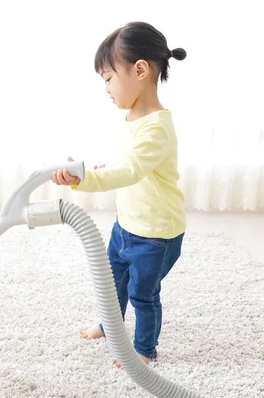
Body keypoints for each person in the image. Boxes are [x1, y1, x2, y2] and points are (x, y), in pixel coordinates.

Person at [52, 21, 187, 368]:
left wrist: (84, 180)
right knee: (113, 282)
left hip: (156, 235)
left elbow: (129, 171)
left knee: (143, 295)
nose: (107, 88)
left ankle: (144, 350)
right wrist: (94, 170)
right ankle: (108, 324)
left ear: (140, 70)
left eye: (109, 79)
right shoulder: (132, 118)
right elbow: (124, 163)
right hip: (127, 223)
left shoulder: (157, 128)